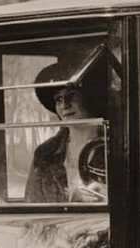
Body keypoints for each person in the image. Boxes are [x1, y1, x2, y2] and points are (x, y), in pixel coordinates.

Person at [25, 61, 107, 203]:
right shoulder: (45, 153)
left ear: (90, 97)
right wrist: (74, 203)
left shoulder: (116, 146)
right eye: (59, 99)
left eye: (72, 95)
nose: (64, 105)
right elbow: (32, 206)